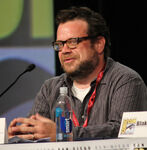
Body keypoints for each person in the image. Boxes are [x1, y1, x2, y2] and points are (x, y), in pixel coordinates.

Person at [8, 6, 147, 142]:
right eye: (59, 44)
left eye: (72, 42)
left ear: (99, 44)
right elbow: (36, 134)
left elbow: (124, 131)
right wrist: (20, 136)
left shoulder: (126, 80)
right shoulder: (50, 88)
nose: (64, 50)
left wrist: (63, 134)